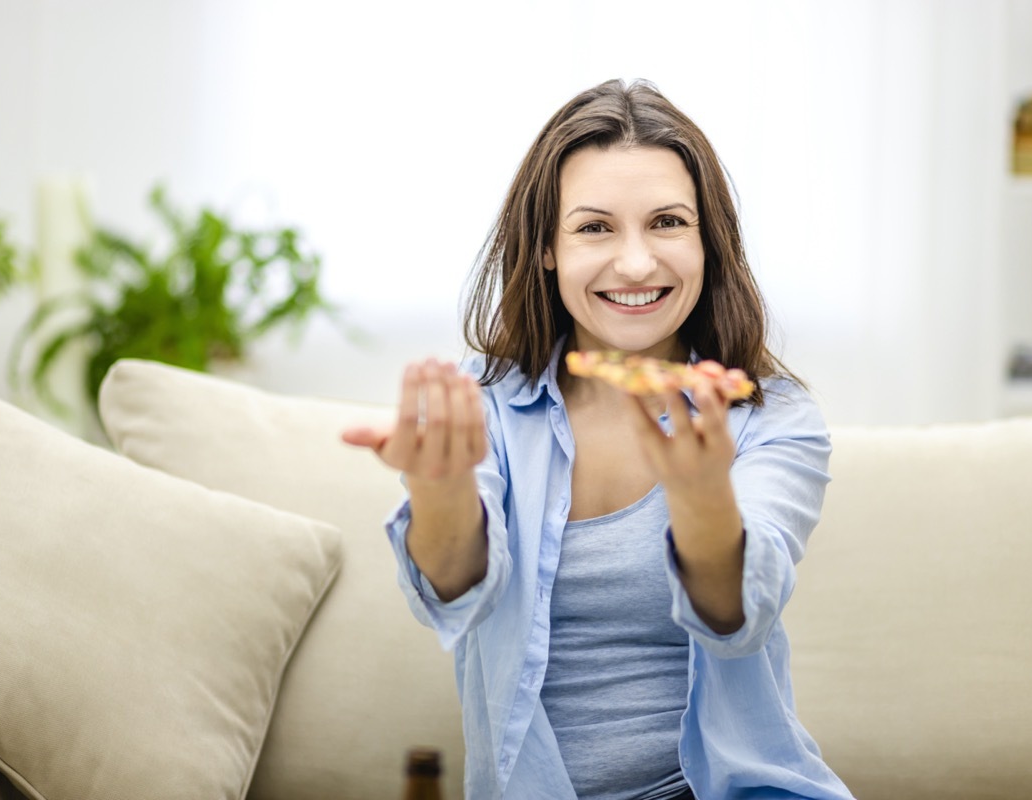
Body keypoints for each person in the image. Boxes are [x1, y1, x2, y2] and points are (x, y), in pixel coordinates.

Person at [342, 79, 853, 800]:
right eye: (595, 228)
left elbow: (738, 618)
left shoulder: (768, 415)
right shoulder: (486, 399)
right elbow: (454, 593)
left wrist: (701, 495)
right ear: (547, 249)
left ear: (708, 242)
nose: (637, 263)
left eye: (668, 222)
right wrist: (440, 486)